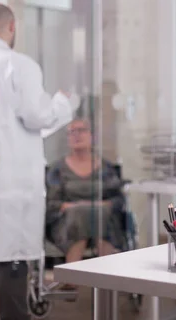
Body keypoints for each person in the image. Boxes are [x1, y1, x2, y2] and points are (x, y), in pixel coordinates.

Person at [0, 3, 73, 320]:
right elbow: (37, 116)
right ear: (11, 27)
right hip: (10, 185)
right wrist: (61, 104)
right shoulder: (16, 64)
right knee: (11, 263)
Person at [45, 119, 125, 290]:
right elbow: (52, 204)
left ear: (92, 136)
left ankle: (93, 274)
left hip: (104, 219)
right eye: (72, 132)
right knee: (81, 212)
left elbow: (118, 200)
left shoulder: (106, 168)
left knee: (97, 212)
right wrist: (70, 207)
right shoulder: (57, 170)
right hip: (66, 224)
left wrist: (100, 205)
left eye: (81, 130)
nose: (77, 135)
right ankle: (89, 274)